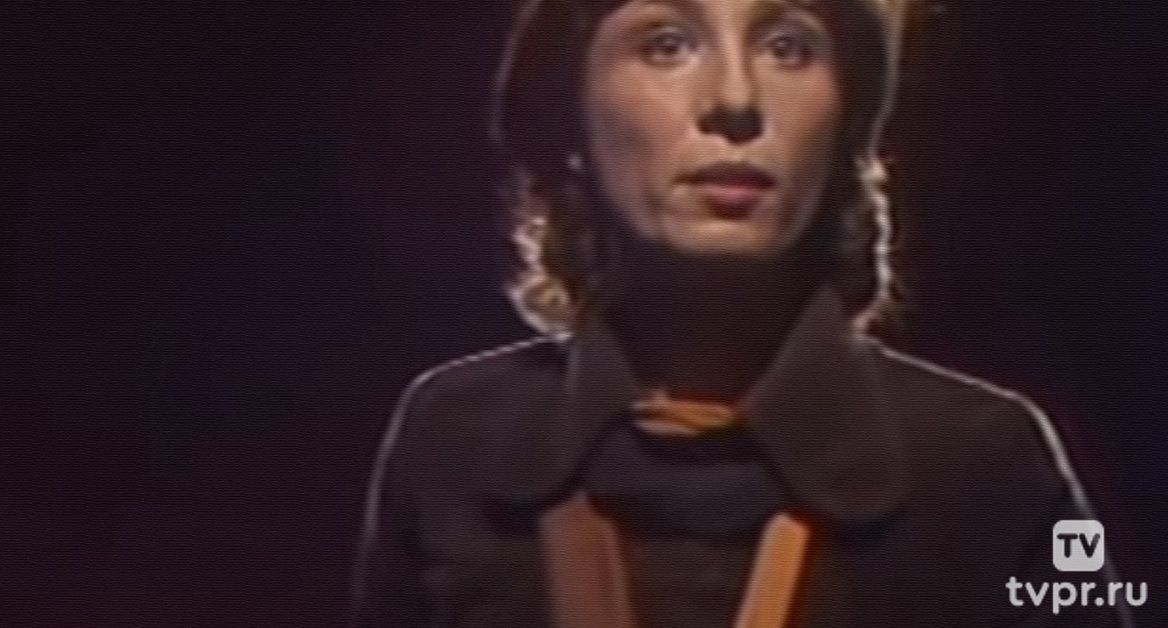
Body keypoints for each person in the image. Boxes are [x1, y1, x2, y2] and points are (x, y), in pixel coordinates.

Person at [351, 0, 1136, 626]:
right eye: (666, 43)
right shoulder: (453, 436)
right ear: (570, 118)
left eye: (788, 47)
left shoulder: (988, 458)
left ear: (848, 125)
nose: (734, 99)